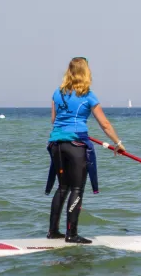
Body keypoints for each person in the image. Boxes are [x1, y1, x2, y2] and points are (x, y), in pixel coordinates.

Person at [46, 57, 125, 243]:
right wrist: (118, 142)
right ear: (85, 72)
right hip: (76, 145)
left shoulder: (57, 93)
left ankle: (53, 231)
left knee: (63, 187)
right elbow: (104, 124)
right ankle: (71, 234)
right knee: (76, 188)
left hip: (56, 144)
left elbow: (53, 120)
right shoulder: (88, 95)